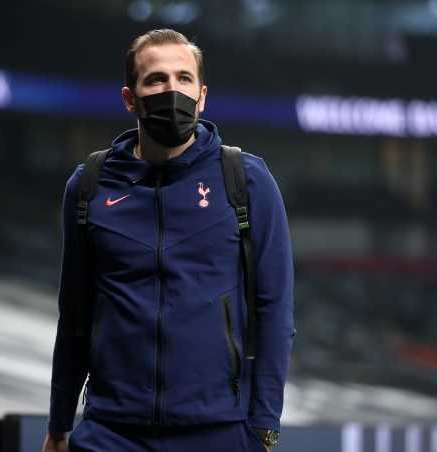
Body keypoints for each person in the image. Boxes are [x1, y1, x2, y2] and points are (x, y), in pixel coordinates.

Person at [43, 28, 294, 452]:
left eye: (184, 78)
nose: (171, 90)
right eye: (156, 79)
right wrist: (58, 425)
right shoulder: (89, 186)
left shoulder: (246, 180)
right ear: (130, 99)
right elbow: (75, 315)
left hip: (219, 429)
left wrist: (264, 428)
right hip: (111, 432)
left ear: (202, 96)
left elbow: (275, 310)